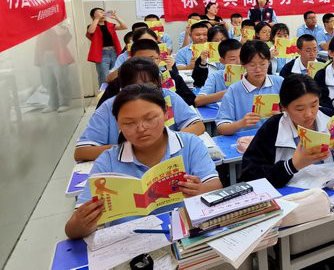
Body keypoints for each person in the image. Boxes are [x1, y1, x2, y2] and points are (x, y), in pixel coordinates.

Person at [239, 74, 334, 269]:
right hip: (297, 216)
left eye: (314, 105)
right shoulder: (272, 129)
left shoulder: (331, 119)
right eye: (299, 108)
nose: (309, 114)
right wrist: (292, 165)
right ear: (284, 108)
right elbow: (249, 176)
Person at [66, 84, 221, 239]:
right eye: (129, 123)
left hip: (184, 236)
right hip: (129, 243)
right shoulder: (107, 161)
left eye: (150, 119)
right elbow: (72, 230)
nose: (141, 128)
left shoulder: (190, 144)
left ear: (166, 113)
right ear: (118, 124)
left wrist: (200, 190)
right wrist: (82, 223)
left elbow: (215, 186)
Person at [74, 57, 205, 162]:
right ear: (122, 88)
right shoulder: (109, 106)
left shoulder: (168, 96)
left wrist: (161, 143)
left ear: (159, 83)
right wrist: (133, 148)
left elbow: (197, 126)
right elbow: (82, 152)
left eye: (149, 84)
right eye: (134, 86)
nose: (142, 91)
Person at [100, 32, 195, 108]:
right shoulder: (119, 82)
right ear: (131, 59)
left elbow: (191, 99)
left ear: (159, 59)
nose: (146, 62)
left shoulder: (171, 77)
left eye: (151, 58)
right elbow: (102, 109)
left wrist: (172, 102)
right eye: (140, 59)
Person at [216, 41, 284, 135]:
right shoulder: (233, 90)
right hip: (245, 139)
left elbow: (295, 113)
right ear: (243, 64)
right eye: (252, 65)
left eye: (262, 64)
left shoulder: (280, 82)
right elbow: (221, 128)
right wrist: (240, 124)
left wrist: (283, 116)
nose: (258, 70)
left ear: (269, 62)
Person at [195, 39, 243, 106]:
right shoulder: (215, 76)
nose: (239, 62)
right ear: (222, 61)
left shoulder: (251, 75)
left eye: (242, 57)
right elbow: (197, 101)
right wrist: (229, 92)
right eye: (233, 59)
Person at [86, 7, 126, 86]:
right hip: (102, 54)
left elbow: (124, 27)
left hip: (114, 52)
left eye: (103, 12)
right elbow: (90, 31)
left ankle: (115, 92)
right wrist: (97, 19)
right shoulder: (92, 26)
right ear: (93, 16)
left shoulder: (110, 25)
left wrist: (116, 17)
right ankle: (104, 93)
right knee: (104, 76)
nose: (102, 14)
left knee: (115, 75)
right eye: (99, 12)